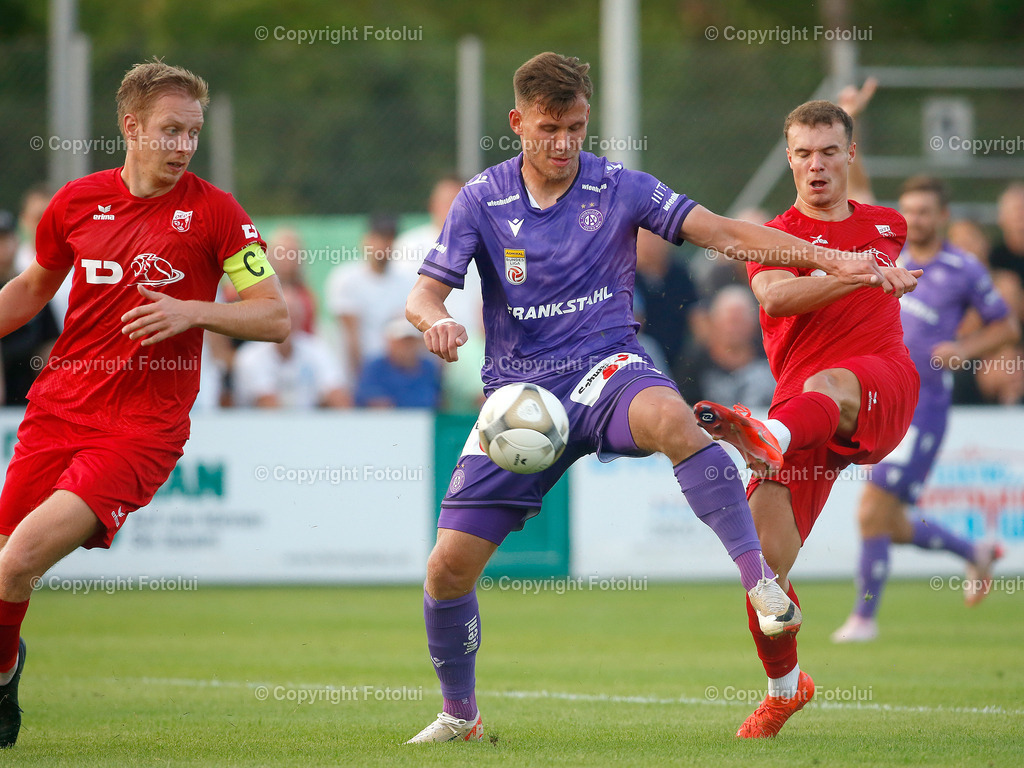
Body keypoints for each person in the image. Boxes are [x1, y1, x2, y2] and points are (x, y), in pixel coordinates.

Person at [402, 52, 908, 744]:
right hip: (523, 401)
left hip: (607, 371)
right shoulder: (480, 200)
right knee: (447, 567)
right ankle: (460, 713)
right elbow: (425, 293)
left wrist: (835, 258)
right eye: (549, 128)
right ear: (517, 123)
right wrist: (436, 320)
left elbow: (728, 234)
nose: (564, 143)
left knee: (676, 419)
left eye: (576, 127)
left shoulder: (619, 185)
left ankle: (760, 583)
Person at [0, 58, 288, 748]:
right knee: (3, 565)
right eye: (169, 131)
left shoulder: (218, 214)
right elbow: (34, 288)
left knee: (16, 561)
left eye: (192, 133)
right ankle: (6, 668)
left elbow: (274, 317)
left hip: (140, 431)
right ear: (130, 127)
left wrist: (194, 311)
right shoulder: (75, 204)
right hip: (55, 412)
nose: (183, 146)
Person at [694, 96, 921, 738]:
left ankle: (768, 436)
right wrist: (859, 274)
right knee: (764, 575)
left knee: (829, 381)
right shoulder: (772, 237)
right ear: (788, 159)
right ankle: (786, 688)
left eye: (829, 152)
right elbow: (773, 293)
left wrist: (865, 265)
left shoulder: (885, 225)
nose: (816, 166)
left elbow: (861, 242)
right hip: (804, 415)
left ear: (850, 155)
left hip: (878, 385)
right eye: (803, 154)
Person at [830, 177, 1017, 641]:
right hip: (882, 400)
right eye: (908, 209)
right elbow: (861, 190)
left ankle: (864, 619)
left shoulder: (964, 269)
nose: (914, 219)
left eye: (925, 211)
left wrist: (963, 349)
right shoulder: (889, 255)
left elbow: (1006, 327)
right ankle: (975, 551)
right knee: (885, 521)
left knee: (873, 511)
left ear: (943, 217)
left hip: (924, 408)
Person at [233, 284, 349, 408]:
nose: (290, 322)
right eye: (284, 315)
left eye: (294, 315)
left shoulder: (317, 348)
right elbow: (267, 404)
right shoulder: (250, 356)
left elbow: (338, 394)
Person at [326, 213, 407, 379]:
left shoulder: (406, 281)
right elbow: (351, 337)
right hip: (357, 374)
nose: (384, 245)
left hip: (397, 374)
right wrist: (364, 381)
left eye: (389, 238)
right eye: (379, 237)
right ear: (366, 240)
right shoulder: (345, 278)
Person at [675, 285, 774, 410]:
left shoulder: (770, 358)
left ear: (754, 324)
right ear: (714, 322)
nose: (733, 329)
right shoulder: (694, 362)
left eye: (739, 321)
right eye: (729, 321)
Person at [634, 227, 699, 370]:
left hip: (683, 353)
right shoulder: (626, 277)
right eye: (647, 236)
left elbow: (696, 313)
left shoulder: (679, 271)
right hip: (645, 354)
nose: (653, 242)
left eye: (657, 235)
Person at [355, 317, 441, 408]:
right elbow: (373, 401)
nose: (407, 347)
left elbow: (439, 400)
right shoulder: (374, 367)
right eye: (402, 342)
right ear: (390, 342)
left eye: (411, 341)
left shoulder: (429, 367)